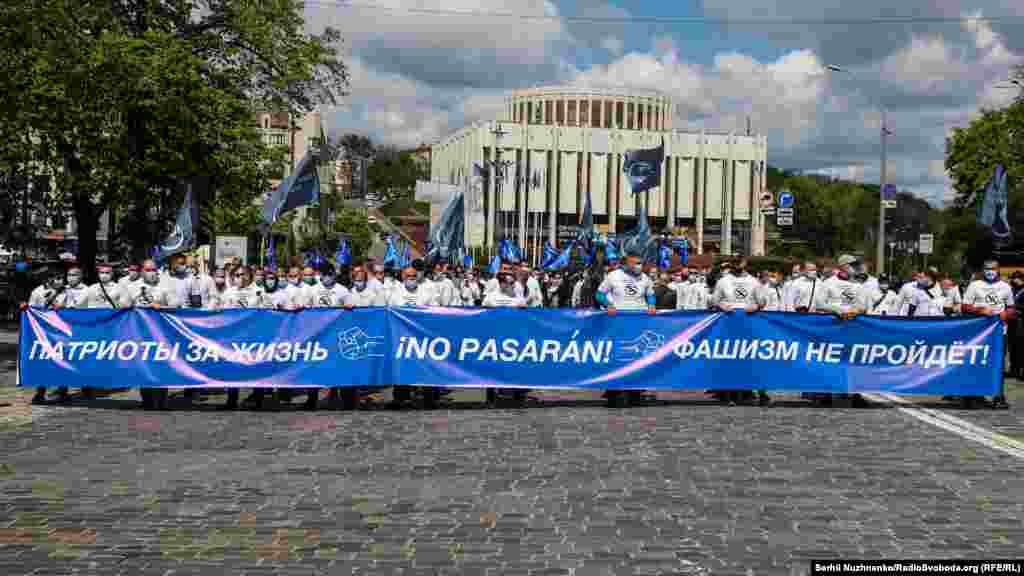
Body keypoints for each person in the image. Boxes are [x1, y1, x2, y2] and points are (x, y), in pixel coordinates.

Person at [596, 254, 656, 407]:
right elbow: (599, 294)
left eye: (641, 263)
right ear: (627, 264)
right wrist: (608, 305)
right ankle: (614, 393)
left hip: (639, 323)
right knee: (618, 356)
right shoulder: (613, 276)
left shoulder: (645, 278)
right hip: (619, 323)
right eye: (636, 263)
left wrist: (652, 305)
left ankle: (635, 392)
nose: (639, 266)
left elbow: (651, 295)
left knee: (637, 357)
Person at [962, 260, 1014, 409]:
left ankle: (998, 395)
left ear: (998, 270)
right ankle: (973, 395)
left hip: (999, 331)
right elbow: (965, 306)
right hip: (979, 331)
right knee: (977, 361)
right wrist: (980, 310)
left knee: (998, 363)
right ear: (983, 270)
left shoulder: (1005, 287)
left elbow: (1011, 307)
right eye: (987, 269)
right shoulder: (975, 285)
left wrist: (1006, 314)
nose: (990, 271)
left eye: (993, 269)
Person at [388, 266, 442, 407]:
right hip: (401, 337)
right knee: (402, 367)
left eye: (413, 275)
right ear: (402, 277)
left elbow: (435, 309)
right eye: (408, 276)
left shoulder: (426, 293)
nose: (411, 278)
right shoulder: (395, 294)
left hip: (422, 337)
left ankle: (429, 399)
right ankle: (400, 398)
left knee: (426, 367)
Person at [128, 259, 174, 410]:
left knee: (162, 364)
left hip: (161, 333)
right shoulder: (132, 287)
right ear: (142, 271)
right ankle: (147, 399)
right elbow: (121, 304)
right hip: (139, 332)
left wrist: (161, 307)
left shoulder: (165, 286)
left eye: (154, 270)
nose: (151, 273)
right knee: (144, 365)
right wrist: (133, 304)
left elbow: (176, 304)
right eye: (148, 270)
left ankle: (162, 399)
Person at [220, 266, 266, 410]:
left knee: (256, 367)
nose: (240, 277)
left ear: (249, 276)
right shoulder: (229, 292)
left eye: (243, 275)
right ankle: (232, 399)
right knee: (233, 367)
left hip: (254, 335)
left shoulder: (258, 291)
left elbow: (266, 311)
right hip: (234, 336)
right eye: (237, 275)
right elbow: (222, 311)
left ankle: (258, 399)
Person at [29, 270, 71, 404]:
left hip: (61, 331)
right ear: (49, 279)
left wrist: (62, 308)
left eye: (62, 278)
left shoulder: (66, 292)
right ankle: (40, 392)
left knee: (63, 360)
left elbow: (72, 309)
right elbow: (31, 310)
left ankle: (63, 391)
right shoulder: (37, 291)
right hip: (44, 331)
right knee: (45, 360)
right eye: (57, 278)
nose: (61, 281)